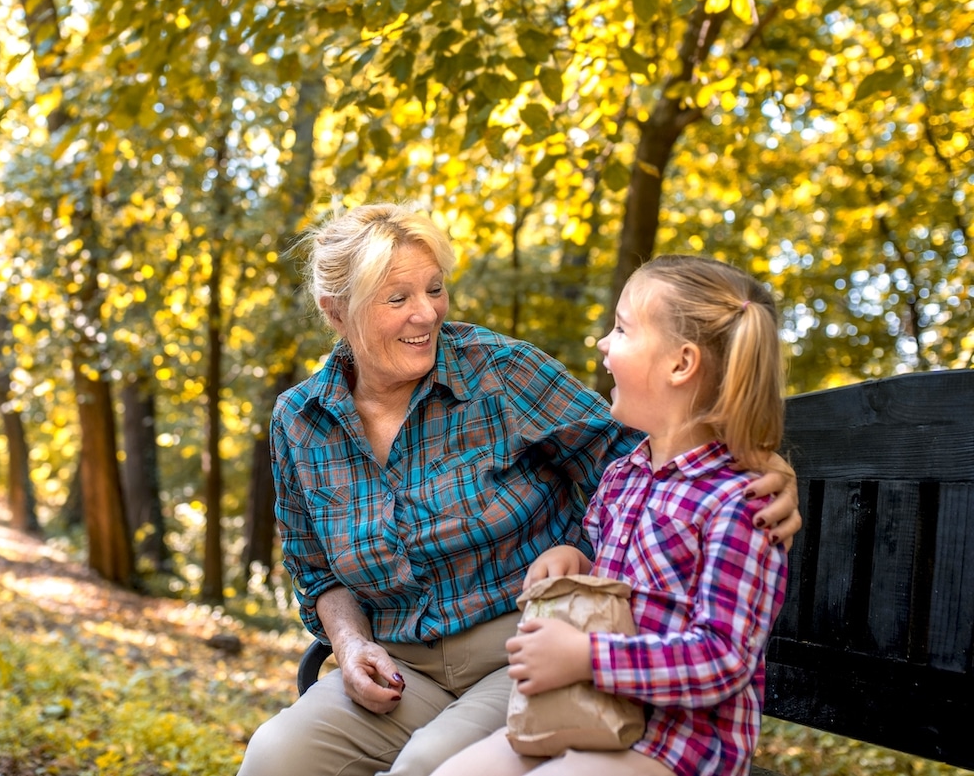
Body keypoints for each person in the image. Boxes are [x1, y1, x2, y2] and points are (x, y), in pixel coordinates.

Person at [237, 205, 800, 776]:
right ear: (338, 313)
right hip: (400, 667)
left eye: (434, 289)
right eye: (397, 298)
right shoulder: (300, 421)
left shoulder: (500, 372)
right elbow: (319, 573)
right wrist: (352, 646)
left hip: (523, 649)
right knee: (275, 756)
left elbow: (655, 443)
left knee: (427, 765)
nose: (426, 312)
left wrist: (762, 466)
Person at [431, 255, 791, 776]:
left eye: (621, 329)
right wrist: (572, 555)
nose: (603, 342)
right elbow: (605, 567)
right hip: (587, 716)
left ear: (680, 364)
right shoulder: (624, 474)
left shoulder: (740, 502)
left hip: (676, 748)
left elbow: (722, 658)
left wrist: (585, 657)